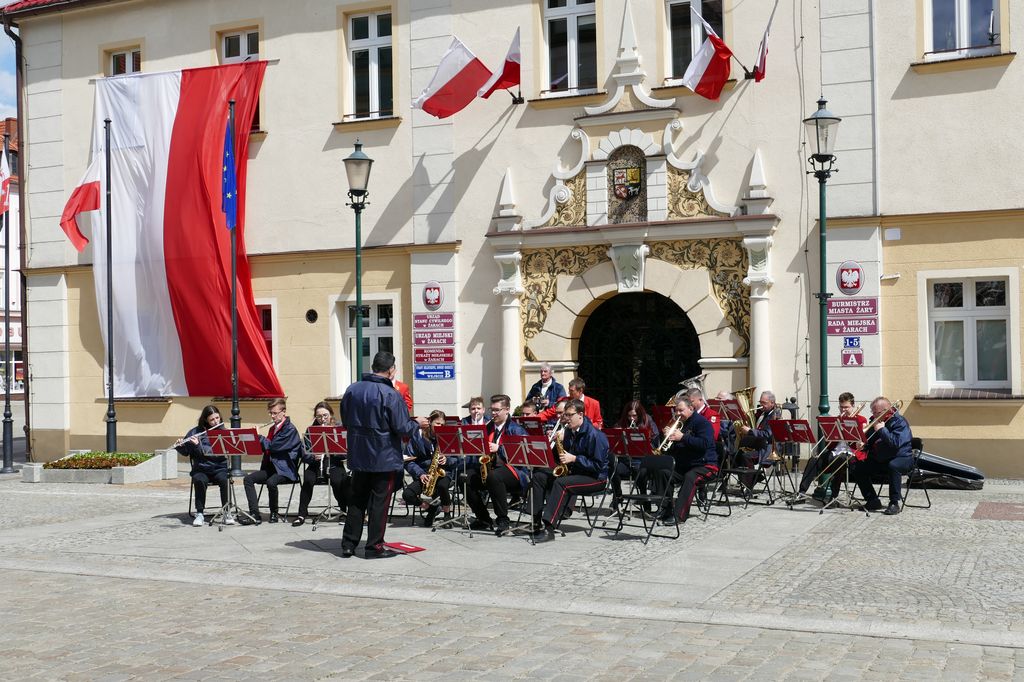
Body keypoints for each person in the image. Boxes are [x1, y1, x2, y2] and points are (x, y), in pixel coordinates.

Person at [340, 351, 427, 559]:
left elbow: (345, 420)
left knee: (357, 500)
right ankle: (374, 547)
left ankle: (348, 544)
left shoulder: (352, 389)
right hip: (383, 457)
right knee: (379, 503)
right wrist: (416, 423)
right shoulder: (391, 394)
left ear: (373, 367)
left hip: (359, 454)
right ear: (391, 370)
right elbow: (402, 428)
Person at [529, 398, 610, 543]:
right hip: (575, 473)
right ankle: (535, 522)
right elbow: (559, 457)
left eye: (570, 415)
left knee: (562, 483)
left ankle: (549, 528)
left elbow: (597, 466)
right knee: (539, 476)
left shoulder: (596, 435)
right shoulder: (569, 432)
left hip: (596, 478)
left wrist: (575, 459)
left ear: (580, 415)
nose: (566, 419)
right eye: (565, 415)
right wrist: (554, 443)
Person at [464, 394, 528, 536]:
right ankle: (483, 518)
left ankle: (502, 519)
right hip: (491, 468)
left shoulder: (516, 429)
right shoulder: (488, 427)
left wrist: (499, 448)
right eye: (491, 410)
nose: (493, 413)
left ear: (507, 410)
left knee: (493, 477)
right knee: (465, 477)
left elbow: (522, 455)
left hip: (514, 471)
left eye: (497, 410)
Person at [653, 397, 718, 523]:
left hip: (706, 465)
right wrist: (666, 437)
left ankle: (679, 515)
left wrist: (683, 437)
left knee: (690, 477)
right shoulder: (680, 424)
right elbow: (673, 450)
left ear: (691, 408)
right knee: (663, 472)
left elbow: (704, 444)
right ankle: (666, 509)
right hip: (686, 465)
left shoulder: (702, 423)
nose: (678, 414)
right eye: (676, 411)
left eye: (681, 410)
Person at [241, 398, 302, 525]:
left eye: (275, 413)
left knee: (271, 482)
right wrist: (251, 438)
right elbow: (265, 448)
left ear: (283, 412)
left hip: (285, 469)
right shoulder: (272, 429)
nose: (272, 416)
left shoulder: (289, 429)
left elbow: (273, 447)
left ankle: (274, 513)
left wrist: (258, 436)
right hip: (271, 468)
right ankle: (255, 514)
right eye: (271, 413)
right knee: (248, 479)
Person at [798, 392, 866, 501]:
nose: (843, 410)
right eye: (841, 407)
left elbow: (862, 440)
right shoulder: (836, 420)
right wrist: (831, 432)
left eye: (846, 407)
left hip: (851, 454)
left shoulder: (861, 420)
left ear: (853, 406)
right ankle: (801, 492)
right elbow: (829, 442)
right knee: (813, 460)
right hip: (835, 452)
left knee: (840, 459)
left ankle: (833, 495)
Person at [292, 402, 350, 527]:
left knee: (337, 481)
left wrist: (334, 451)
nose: (322, 419)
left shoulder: (339, 428)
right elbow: (304, 452)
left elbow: (346, 453)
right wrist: (313, 456)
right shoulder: (311, 430)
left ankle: (344, 511)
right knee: (308, 479)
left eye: (325, 415)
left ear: (331, 414)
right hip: (316, 464)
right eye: (319, 416)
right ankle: (301, 514)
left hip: (334, 463)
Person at [854, 397, 913, 515]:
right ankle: (872, 500)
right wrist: (863, 445)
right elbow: (871, 442)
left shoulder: (900, 422)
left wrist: (882, 430)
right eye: (872, 412)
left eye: (876, 412)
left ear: (886, 410)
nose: (873, 415)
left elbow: (896, 443)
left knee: (893, 466)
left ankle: (894, 503)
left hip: (902, 457)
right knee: (858, 467)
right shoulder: (875, 420)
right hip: (882, 457)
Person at [175, 405, 232, 527]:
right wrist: (180, 446)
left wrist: (198, 446)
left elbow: (218, 454)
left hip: (219, 468)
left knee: (225, 480)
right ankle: (200, 513)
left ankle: (226, 512)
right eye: (212, 419)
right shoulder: (195, 432)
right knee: (199, 479)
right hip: (201, 469)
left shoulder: (223, 433)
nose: (216, 422)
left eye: (217, 418)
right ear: (206, 420)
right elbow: (186, 452)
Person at [402, 410, 457, 527]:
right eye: (437, 423)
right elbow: (408, 461)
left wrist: (447, 460)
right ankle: (431, 509)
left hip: (443, 472)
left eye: (442, 424)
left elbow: (457, 459)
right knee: (407, 494)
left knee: (442, 486)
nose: (440, 427)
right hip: (425, 474)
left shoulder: (448, 437)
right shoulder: (417, 436)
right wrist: (420, 474)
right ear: (430, 422)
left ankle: (447, 515)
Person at [610, 400, 660, 505]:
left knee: (640, 471)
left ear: (640, 414)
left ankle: (644, 498)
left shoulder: (648, 420)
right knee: (612, 468)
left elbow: (656, 442)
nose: (631, 418)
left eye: (634, 416)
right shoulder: (623, 422)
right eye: (629, 416)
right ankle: (617, 495)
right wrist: (619, 432)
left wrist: (644, 437)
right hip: (626, 460)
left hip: (642, 460)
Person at [734, 390, 782, 491]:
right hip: (758, 444)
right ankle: (755, 477)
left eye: (764, 403)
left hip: (768, 448)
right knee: (737, 454)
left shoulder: (775, 415)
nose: (761, 405)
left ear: (772, 403)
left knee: (746, 456)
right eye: (760, 402)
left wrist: (750, 431)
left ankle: (748, 485)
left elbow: (767, 434)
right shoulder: (762, 413)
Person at [537, 377, 603, 429]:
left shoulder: (594, 403)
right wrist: (534, 419)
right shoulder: (564, 400)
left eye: (571, 391)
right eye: (569, 390)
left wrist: (584, 426)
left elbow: (599, 423)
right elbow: (548, 413)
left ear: (580, 391)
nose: (569, 393)